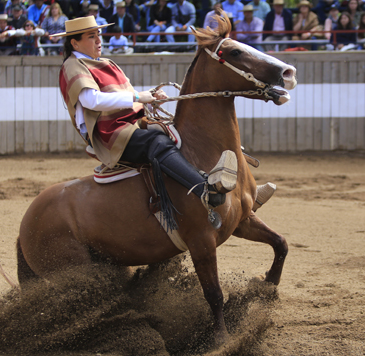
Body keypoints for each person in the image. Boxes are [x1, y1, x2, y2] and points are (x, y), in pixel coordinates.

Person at [54, 16, 236, 213]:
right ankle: (203, 189)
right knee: (156, 142)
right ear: (74, 42)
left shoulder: (105, 62)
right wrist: (138, 97)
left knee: (178, 131)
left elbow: (126, 96)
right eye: (92, 36)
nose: (99, 40)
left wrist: (150, 95)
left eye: (99, 35)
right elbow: (93, 101)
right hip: (108, 132)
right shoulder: (72, 66)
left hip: (129, 123)